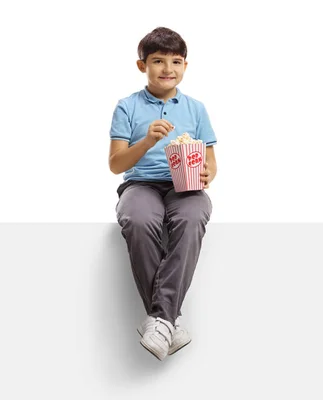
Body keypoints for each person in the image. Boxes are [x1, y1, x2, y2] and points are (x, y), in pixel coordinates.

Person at [108, 27, 218, 361]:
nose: (167, 68)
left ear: (185, 65)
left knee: (193, 216)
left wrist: (207, 173)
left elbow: (211, 162)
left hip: (185, 186)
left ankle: (158, 320)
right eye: (157, 60)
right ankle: (170, 319)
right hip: (140, 184)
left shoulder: (196, 109)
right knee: (137, 220)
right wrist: (147, 141)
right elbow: (116, 164)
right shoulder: (127, 107)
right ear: (142, 65)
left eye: (176, 61)